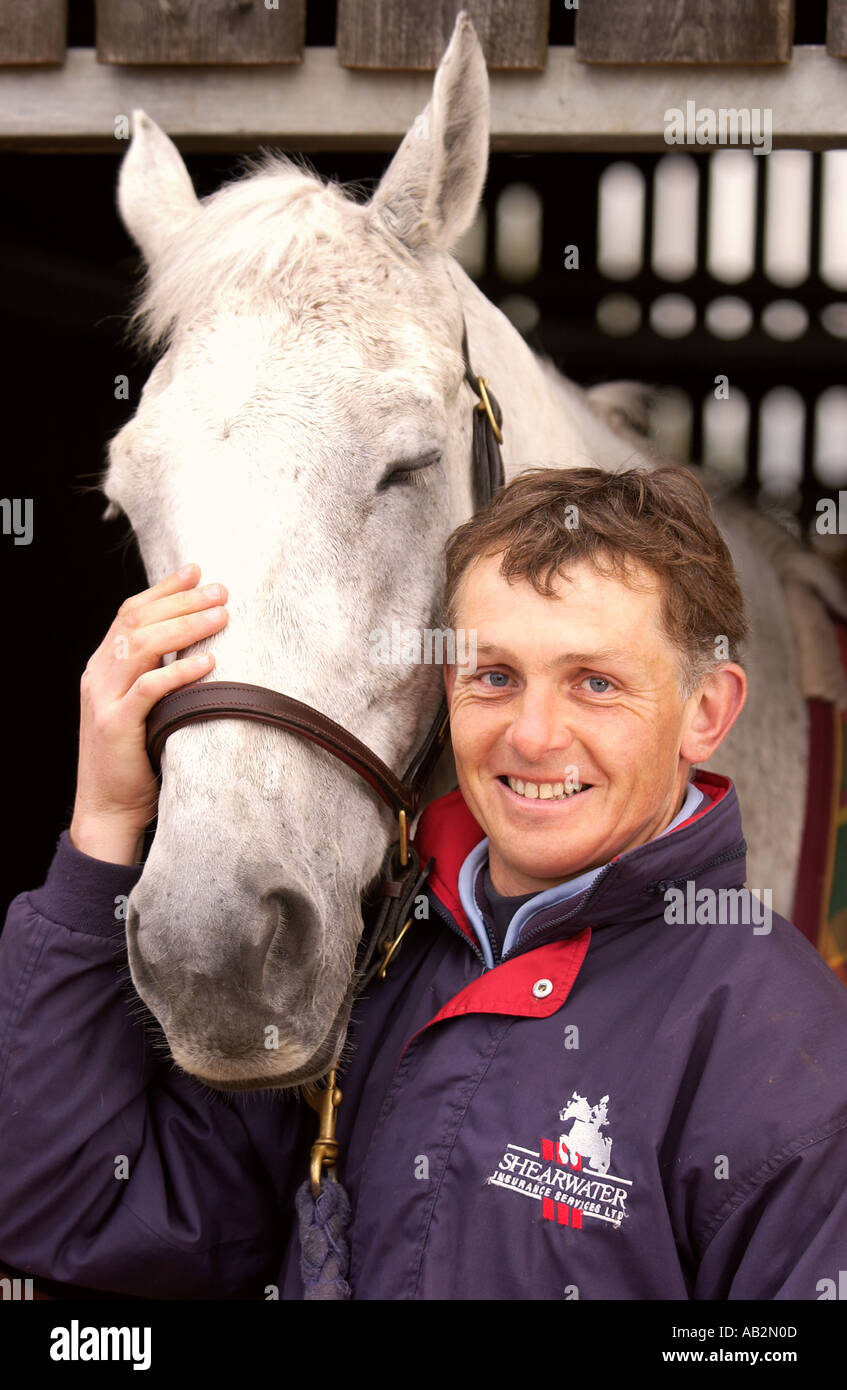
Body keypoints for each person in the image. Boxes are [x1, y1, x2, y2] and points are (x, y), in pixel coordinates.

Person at [1, 465, 846, 1301]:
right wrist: (105, 824)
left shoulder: (785, 1049)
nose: (534, 735)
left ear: (706, 711)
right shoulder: (362, 951)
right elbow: (74, 1211)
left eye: (595, 683)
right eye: (494, 677)